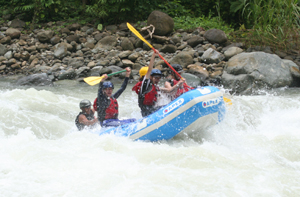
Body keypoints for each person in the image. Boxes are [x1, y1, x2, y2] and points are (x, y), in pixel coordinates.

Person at [136, 50, 185, 117]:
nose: (158, 80)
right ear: (151, 77)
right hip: (146, 112)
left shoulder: (155, 87)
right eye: (156, 78)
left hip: (152, 110)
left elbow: (169, 90)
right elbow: (149, 69)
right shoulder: (145, 84)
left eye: (159, 78)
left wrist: (179, 83)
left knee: (168, 105)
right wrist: (153, 55)